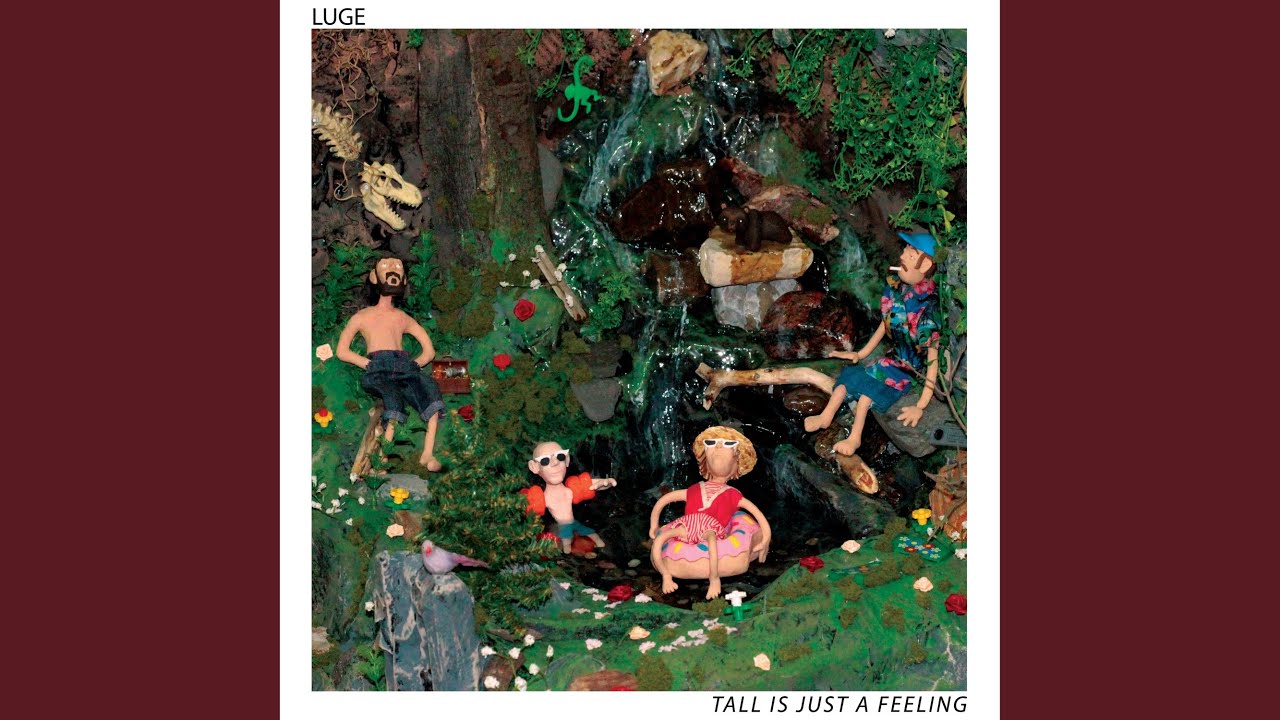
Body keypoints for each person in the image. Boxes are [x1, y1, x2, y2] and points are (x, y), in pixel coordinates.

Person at [803, 232, 942, 455]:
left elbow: (932, 361)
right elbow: (885, 325)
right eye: (905, 250)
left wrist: (920, 405)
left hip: (908, 368)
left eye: (911, 254)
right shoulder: (897, 290)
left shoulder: (927, 309)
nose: (902, 256)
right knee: (849, 378)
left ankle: (854, 438)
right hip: (891, 358)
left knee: (867, 393)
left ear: (925, 264)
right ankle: (825, 416)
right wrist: (861, 353)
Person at [336, 255, 445, 471]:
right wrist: (367, 364)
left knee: (429, 390)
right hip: (378, 368)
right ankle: (382, 457)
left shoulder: (402, 317)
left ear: (404, 280)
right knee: (393, 400)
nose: (392, 268)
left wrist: (415, 364)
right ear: (373, 277)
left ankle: (428, 453)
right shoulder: (362, 316)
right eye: (385, 265)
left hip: (404, 366)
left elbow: (429, 351)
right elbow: (342, 351)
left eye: (397, 266)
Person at [648, 426, 771, 599]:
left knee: (712, 544)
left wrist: (765, 539)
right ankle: (666, 577)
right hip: (688, 525)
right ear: (704, 458)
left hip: (710, 528)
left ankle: (714, 579)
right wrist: (654, 526)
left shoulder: (733, 495)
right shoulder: (694, 489)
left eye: (727, 444)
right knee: (660, 540)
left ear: (737, 462)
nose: (718, 447)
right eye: (711, 443)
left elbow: (757, 514)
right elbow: (664, 500)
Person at [522, 441, 617, 553]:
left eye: (560, 456)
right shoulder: (544, 498)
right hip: (563, 526)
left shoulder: (570, 491)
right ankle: (567, 553)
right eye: (545, 460)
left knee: (589, 532)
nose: (555, 463)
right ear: (534, 467)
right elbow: (523, 507)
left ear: (567, 460)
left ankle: (598, 545)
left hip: (573, 522)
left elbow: (589, 486)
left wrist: (604, 483)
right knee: (566, 542)